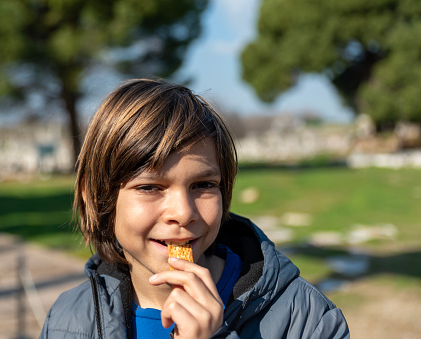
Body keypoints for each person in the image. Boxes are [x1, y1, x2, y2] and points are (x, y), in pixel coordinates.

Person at [39, 79, 349, 339]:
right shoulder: (70, 322)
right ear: (97, 199)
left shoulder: (305, 319)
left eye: (203, 185)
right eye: (149, 187)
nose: (183, 212)